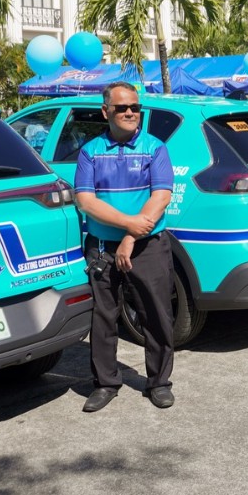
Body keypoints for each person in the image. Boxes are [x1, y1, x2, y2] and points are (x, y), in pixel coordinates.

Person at [75, 82, 176, 413]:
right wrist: (126, 225)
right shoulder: (90, 151)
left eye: (135, 107)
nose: (131, 112)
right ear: (106, 112)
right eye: (122, 108)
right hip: (102, 247)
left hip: (148, 245)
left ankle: (159, 382)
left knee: (156, 315)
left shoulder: (155, 148)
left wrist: (132, 236)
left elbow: (160, 196)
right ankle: (106, 383)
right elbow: (86, 201)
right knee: (104, 318)